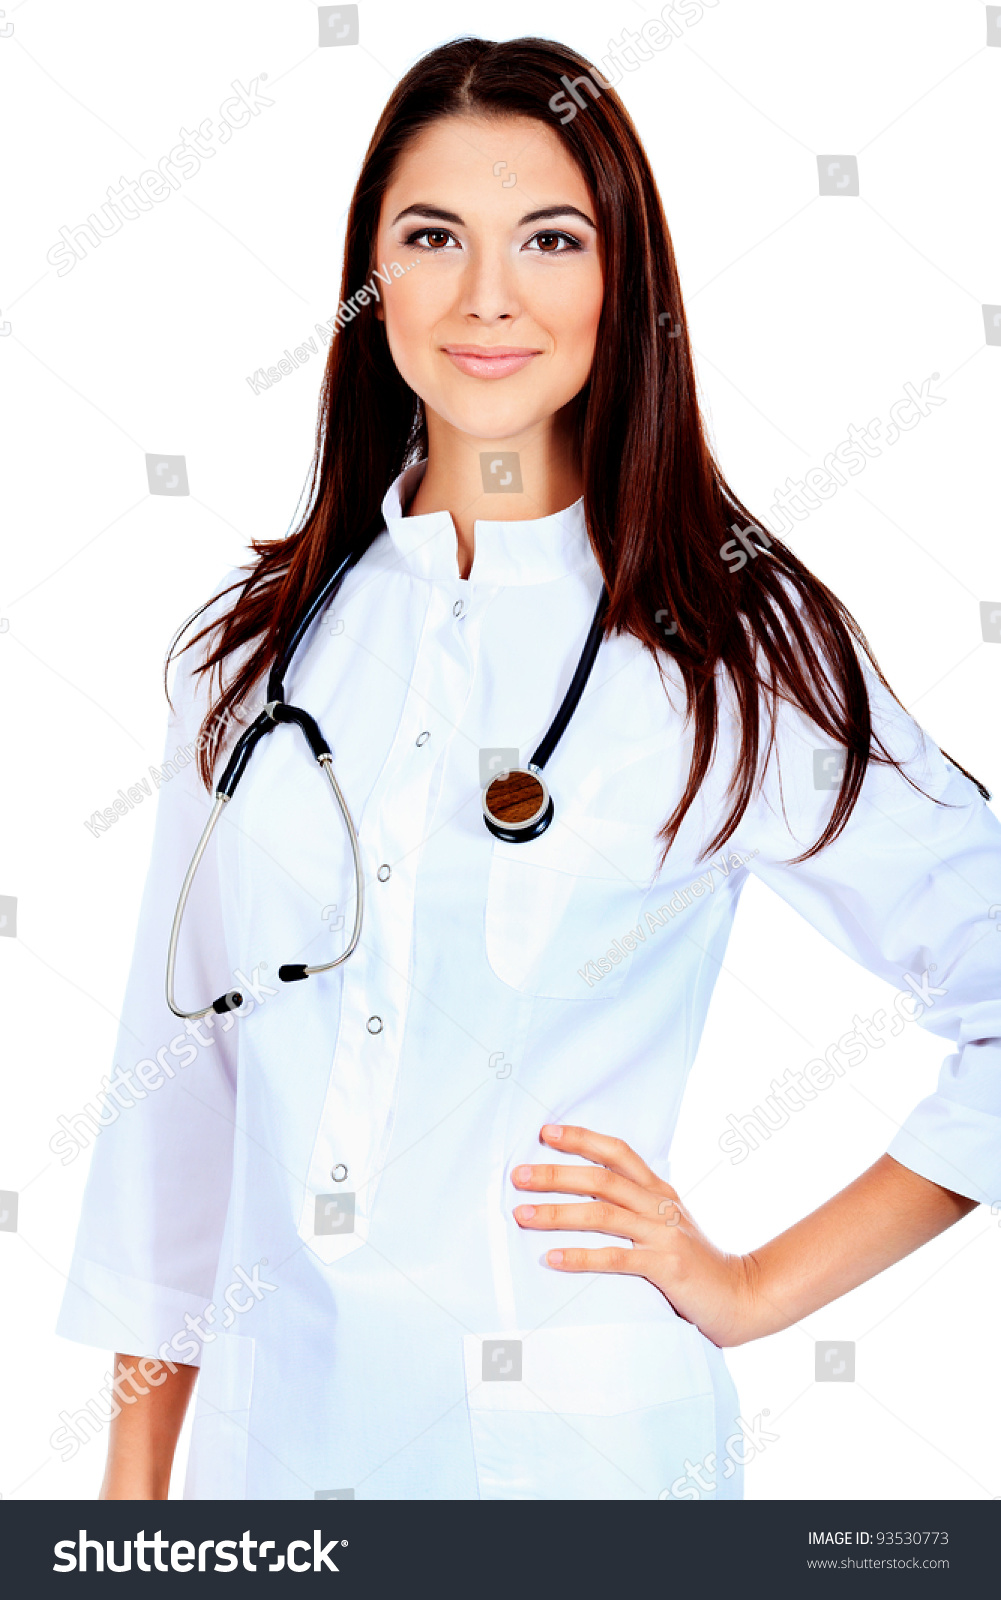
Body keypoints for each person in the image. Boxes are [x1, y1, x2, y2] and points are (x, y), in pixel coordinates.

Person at [56, 35, 1001, 1502]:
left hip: (584, 1481)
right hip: (275, 1472)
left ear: (621, 281)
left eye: (549, 240)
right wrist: (128, 1503)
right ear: (371, 281)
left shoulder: (732, 651)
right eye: (431, 239)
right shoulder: (247, 658)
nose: (486, 297)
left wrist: (749, 1287)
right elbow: (176, 1103)